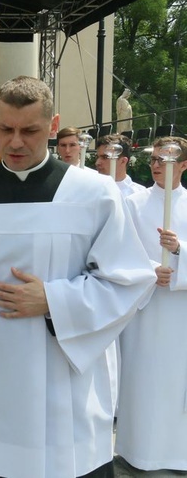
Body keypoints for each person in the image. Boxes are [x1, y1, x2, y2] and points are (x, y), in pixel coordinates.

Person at [0, 76, 156, 478]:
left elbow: (126, 280)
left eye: (30, 130)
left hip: (60, 377)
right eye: (5, 130)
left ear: (54, 125)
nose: (16, 142)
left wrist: (54, 301)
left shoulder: (94, 194)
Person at [116, 136, 187, 472]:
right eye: (155, 160)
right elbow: (119, 254)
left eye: (167, 160)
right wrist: (148, 271)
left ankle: (176, 452)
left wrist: (179, 252)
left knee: (176, 384)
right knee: (142, 381)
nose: (157, 165)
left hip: (180, 312)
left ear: (183, 166)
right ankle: (136, 450)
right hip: (144, 309)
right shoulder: (133, 204)